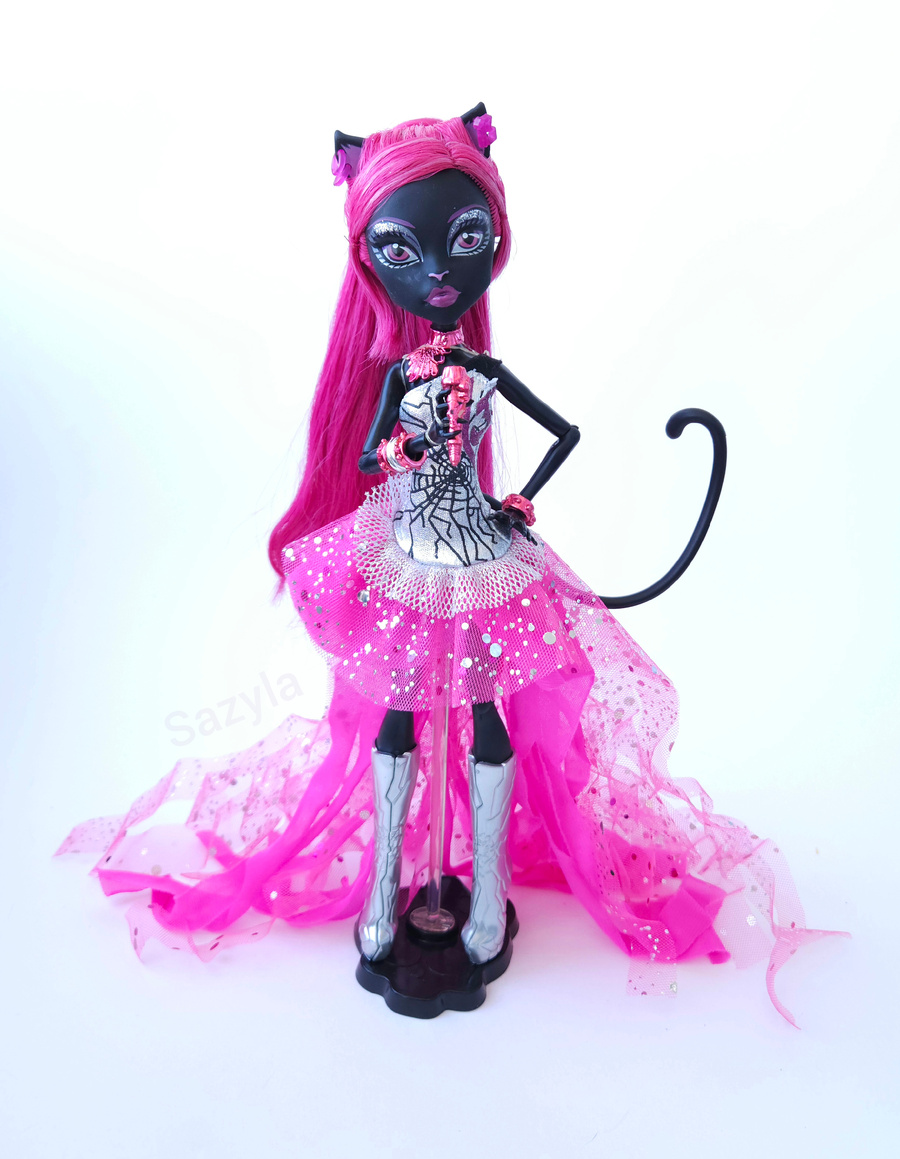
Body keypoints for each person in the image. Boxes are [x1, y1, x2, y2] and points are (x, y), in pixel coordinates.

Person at [57, 108, 843, 1024]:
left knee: (487, 717)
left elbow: (564, 434)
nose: (436, 272)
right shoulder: (401, 372)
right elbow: (366, 457)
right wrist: (401, 458)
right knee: (399, 714)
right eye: (401, 249)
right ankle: (383, 897)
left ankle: (485, 904)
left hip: (479, 552)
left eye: (466, 241)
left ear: (494, 242)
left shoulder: (484, 371)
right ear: (369, 259)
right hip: (408, 553)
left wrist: (520, 501)